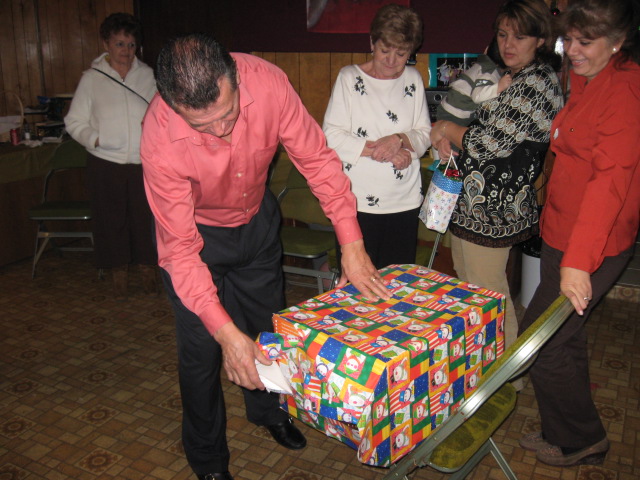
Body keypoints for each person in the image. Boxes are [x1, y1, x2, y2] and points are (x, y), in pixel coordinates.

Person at [140, 34, 390, 480]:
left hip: (256, 223)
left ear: (235, 79)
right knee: (202, 354)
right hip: (196, 238)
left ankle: (270, 412)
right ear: (174, 106)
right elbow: (179, 250)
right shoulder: (159, 136)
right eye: (202, 126)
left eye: (228, 115)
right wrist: (225, 334)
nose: (220, 131)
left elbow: (317, 161)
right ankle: (208, 459)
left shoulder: (269, 83)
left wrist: (351, 245)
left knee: (265, 331)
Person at [517, 0, 640, 467]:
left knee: (541, 341)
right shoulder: (590, 77)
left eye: (586, 42)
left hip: (592, 245)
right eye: (569, 40)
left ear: (618, 41)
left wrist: (577, 263)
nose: (572, 50)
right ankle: (567, 432)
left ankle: (582, 439)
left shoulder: (625, 91)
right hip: (563, 232)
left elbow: (610, 184)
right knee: (565, 338)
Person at [429, 0, 563, 359]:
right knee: (473, 294)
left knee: (490, 297)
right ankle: (481, 364)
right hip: (472, 205)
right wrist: (447, 134)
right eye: (503, 35)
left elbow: (487, 143)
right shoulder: (514, 76)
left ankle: (507, 376)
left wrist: (445, 127)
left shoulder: (536, 81)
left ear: (540, 39)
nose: (508, 44)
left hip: (494, 211)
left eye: (519, 37)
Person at [322, 3, 431, 270]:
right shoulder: (349, 78)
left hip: (404, 200)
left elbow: (424, 134)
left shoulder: (413, 79)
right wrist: (383, 151)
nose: (391, 60)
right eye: (385, 50)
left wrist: (399, 139)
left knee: (398, 281)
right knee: (359, 280)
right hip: (357, 201)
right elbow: (331, 136)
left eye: (401, 53)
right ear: (372, 43)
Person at [64, 13, 158, 299]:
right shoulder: (92, 79)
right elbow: (74, 121)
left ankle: (148, 271)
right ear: (106, 44)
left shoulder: (148, 76)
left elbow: (160, 115)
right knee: (111, 220)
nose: (126, 51)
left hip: (143, 163)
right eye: (119, 44)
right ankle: (119, 275)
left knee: (145, 219)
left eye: (131, 45)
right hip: (105, 163)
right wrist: (97, 139)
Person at [437, 36, 512, 128]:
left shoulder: (481, 64)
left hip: (450, 108)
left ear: (486, 49)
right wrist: (498, 87)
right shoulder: (489, 72)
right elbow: (477, 96)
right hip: (455, 114)